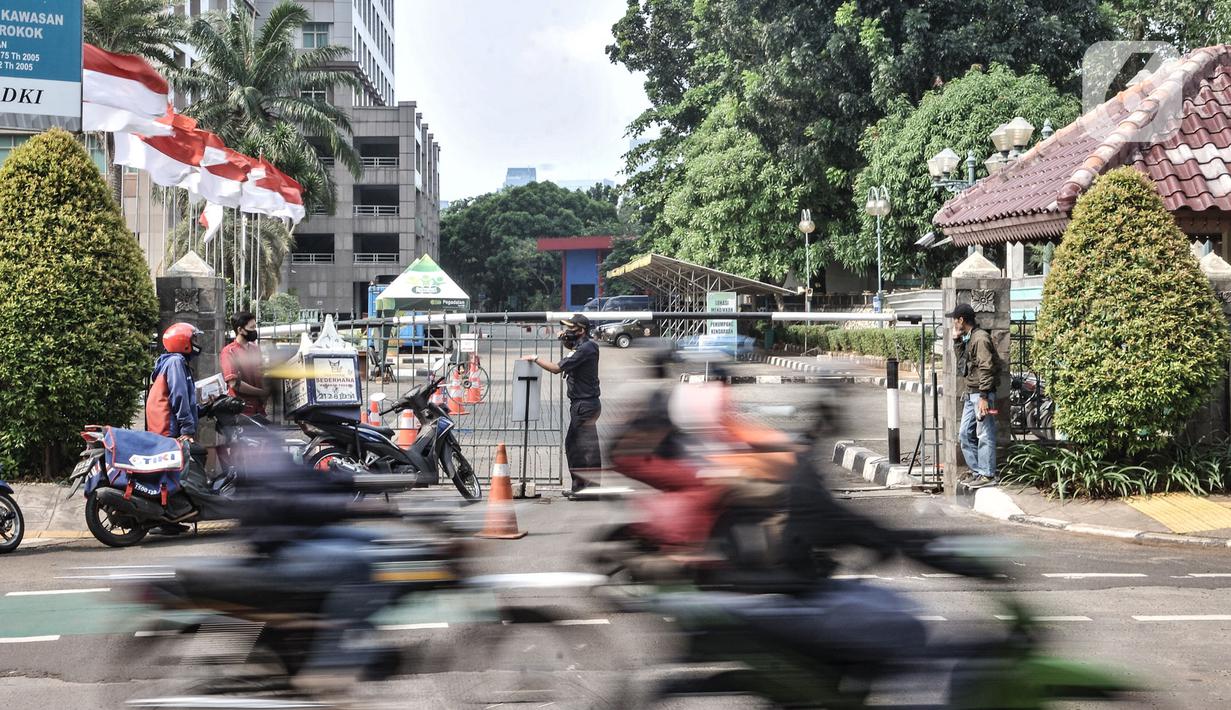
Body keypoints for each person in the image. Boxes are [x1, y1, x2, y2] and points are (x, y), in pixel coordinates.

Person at [523, 313, 602, 498]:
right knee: (576, 446)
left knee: (583, 449)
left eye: (571, 328)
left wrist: (535, 358)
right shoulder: (585, 346)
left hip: (584, 405)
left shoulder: (585, 349)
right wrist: (565, 339)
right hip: (584, 405)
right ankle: (581, 487)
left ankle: (589, 489)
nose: (568, 331)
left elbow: (557, 368)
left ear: (581, 330)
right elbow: (571, 349)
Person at [145, 322, 206, 535]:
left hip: (166, 426)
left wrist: (204, 409)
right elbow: (178, 396)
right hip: (169, 428)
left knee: (171, 474)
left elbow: (184, 400)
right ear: (183, 342)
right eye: (193, 339)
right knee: (174, 474)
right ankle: (163, 520)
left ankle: (169, 519)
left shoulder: (173, 363)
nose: (196, 343)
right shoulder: (176, 362)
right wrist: (187, 429)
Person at [949, 303, 1001, 488]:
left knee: (984, 434)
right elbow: (963, 365)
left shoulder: (980, 339)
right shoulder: (970, 337)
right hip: (972, 393)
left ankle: (988, 475)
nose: (954, 324)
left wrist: (984, 397)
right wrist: (956, 340)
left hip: (981, 394)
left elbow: (986, 368)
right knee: (964, 434)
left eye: (955, 320)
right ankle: (978, 471)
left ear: (961, 320)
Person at [221, 311, 269, 418]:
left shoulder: (255, 349)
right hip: (241, 411)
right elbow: (234, 384)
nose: (254, 331)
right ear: (240, 330)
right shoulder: (229, 352)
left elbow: (261, 374)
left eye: (255, 327)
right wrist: (261, 392)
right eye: (252, 328)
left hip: (259, 409)